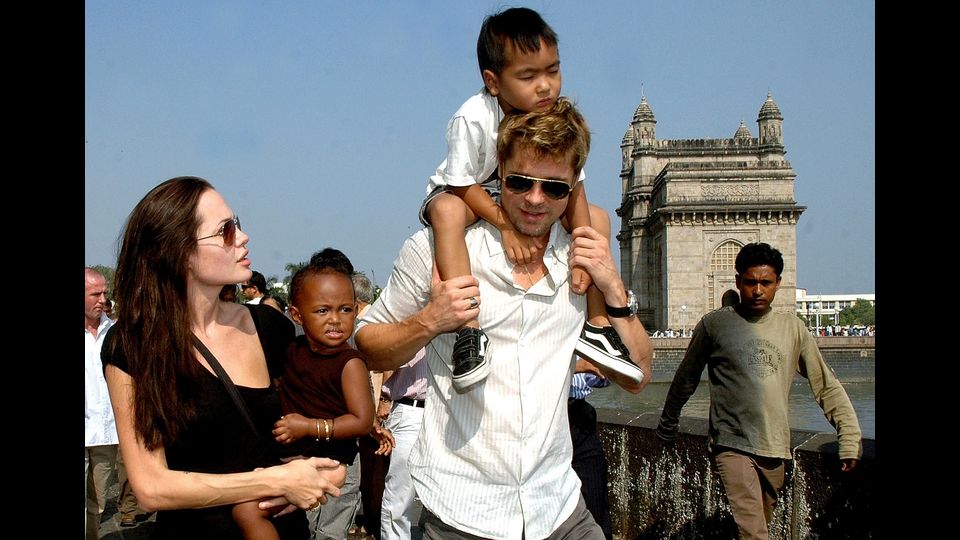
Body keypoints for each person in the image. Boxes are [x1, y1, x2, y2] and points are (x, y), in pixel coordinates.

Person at [356, 100, 653, 539]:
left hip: (557, 506)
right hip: (464, 513)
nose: (535, 199)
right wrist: (430, 322)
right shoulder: (439, 251)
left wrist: (613, 290)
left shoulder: (583, 259)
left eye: (554, 188)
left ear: (575, 186)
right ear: (499, 171)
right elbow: (366, 345)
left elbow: (638, 377)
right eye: (520, 182)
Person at [101, 176, 346, 540]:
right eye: (225, 231)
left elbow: (327, 424)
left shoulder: (271, 327)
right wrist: (273, 480)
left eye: (238, 224)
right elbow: (151, 487)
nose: (243, 237)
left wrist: (321, 472)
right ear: (179, 252)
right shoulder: (133, 345)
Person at [418, 6, 624, 393]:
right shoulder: (473, 117)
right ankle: (469, 329)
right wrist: (504, 225)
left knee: (597, 219)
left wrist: (584, 256)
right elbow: (460, 183)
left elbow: (576, 188)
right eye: (528, 77)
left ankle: (597, 325)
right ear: (493, 82)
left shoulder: (553, 119)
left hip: (512, 193)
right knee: (446, 212)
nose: (545, 87)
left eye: (552, 71)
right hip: (464, 192)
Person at [656, 242, 862, 540]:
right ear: (738, 281)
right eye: (750, 282)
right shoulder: (715, 325)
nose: (757, 291)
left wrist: (849, 438)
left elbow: (826, 386)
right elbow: (685, 379)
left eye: (766, 283)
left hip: (774, 447)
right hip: (731, 444)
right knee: (754, 532)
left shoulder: (793, 329)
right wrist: (668, 423)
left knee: (755, 527)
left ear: (778, 283)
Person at [233, 249, 376, 540]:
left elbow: (361, 421)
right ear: (297, 315)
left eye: (345, 310)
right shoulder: (293, 351)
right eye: (323, 311)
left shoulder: (350, 363)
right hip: (290, 459)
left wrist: (308, 426)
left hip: (328, 463)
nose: (335, 320)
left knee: (321, 531)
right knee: (251, 510)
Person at [378, 347, 427, 540]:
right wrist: (384, 399)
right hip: (412, 407)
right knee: (400, 494)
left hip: (452, 411)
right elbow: (390, 354)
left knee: (450, 492)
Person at [85, 267, 119, 540]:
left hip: (106, 432)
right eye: (95, 294)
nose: (102, 300)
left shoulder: (116, 332)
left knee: (97, 503)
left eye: (104, 293)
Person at [568, 360, 614, 540]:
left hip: (578, 415)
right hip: (542, 414)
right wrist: (575, 366)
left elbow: (594, 379)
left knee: (594, 491)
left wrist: (609, 369)